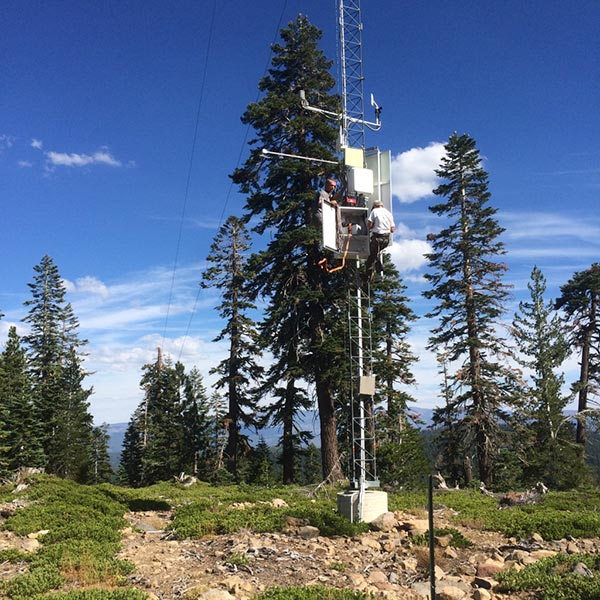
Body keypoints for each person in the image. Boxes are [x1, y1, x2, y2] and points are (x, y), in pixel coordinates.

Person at [364, 199, 395, 281]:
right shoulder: (389, 213)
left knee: (371, 257)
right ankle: (377, 269)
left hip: (377, 238)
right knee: (375, 254)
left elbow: (369, 225)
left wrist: (373, 226)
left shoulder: (374, 211)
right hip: (386, 240)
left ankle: (369, 275)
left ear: (374, 206)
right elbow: (392, 229)